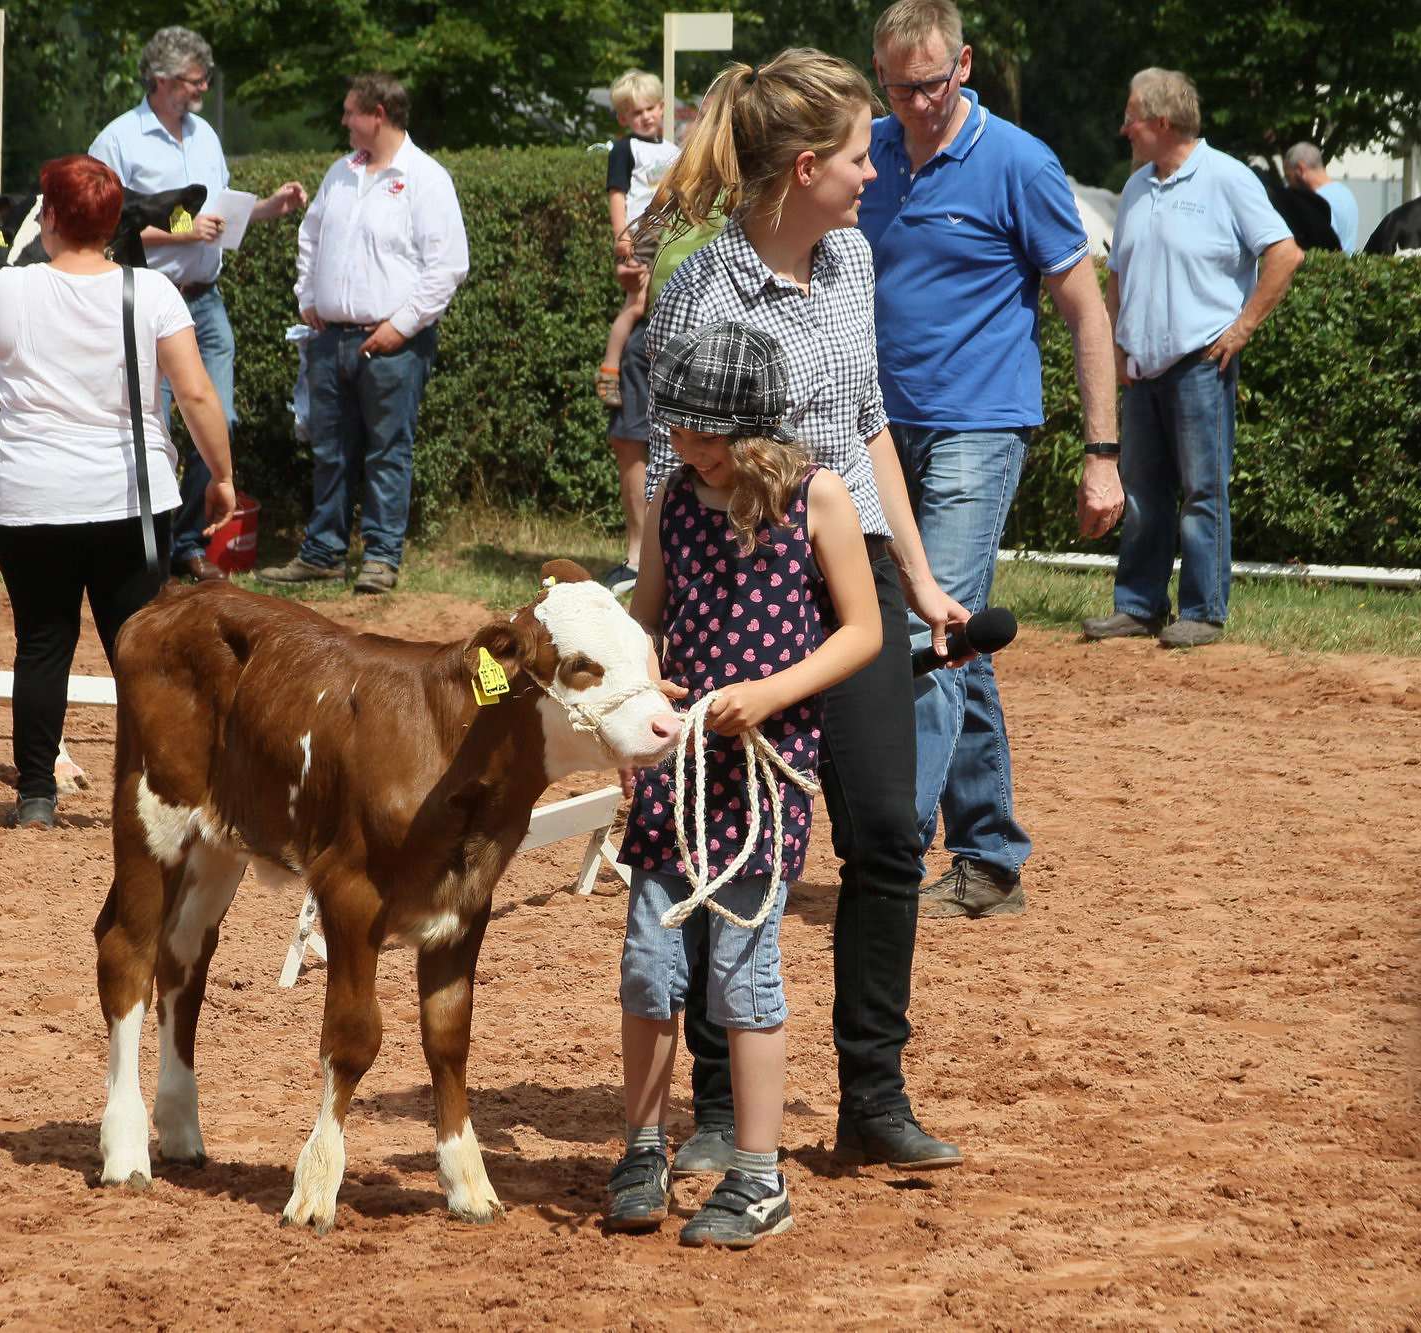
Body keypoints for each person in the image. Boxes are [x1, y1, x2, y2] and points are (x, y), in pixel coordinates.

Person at [640, 47, 971, 1179]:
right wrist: (661, 616)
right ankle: (723, 1101)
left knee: (885, 833)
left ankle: (871, 1093)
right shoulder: (699, 285)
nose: (872, 171)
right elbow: (664, 467)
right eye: (855, 154)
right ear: (797, 168)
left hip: (851, 574)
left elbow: (868, 423)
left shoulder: (851, 261)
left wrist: (917, 580)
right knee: (721, 845)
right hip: (731, 580)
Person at [603, 321, 883, 1249]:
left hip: (762, 784)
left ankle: (760, 1178)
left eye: (705, 435)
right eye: (678, 430)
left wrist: (767, 695)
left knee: (742, 972)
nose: (686, 448)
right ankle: (643, 1144)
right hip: (676, 773)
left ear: (755, 429)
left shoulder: (821, 499)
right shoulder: (673, 503)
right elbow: (647, 619)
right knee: (649, 961)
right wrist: (650, 680)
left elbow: (861, 632)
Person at [860, 0, 1120, 921]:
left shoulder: (1020, 162)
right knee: (953, 631)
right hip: (877, 432)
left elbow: (1088, 313)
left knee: (924, 640)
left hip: (979, 428)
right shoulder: (870, 156)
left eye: (930, 83)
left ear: (964, 64)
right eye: (897, 87)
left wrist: (1103, 452)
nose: (916, 104)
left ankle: (892, 854)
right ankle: (992, 856)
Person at [0, 154, 235, 829]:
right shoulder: (152, 296)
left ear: (49, 217)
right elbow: (197, 393)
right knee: (138, 648)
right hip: (128, 496)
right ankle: (151, 790)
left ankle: (35, 794)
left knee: (41, 643)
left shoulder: (4, 289)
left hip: (29, 499)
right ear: (118, 220)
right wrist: (224, 477)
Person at [1083, 69, 1302, 650]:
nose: (1124, 128)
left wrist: (1242, 327)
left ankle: (1203, 611)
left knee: (1203, 491)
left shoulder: (1228, 178)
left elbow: (1285, 253)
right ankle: (1138, 606)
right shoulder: (1136, 187)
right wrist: (1118, 344)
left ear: (1160, 122)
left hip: (1200, 362)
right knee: (1143, 493)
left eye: (1131, 117)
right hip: (1143, 367)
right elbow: (1118, 276)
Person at [90, 25, 305, 585]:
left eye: (205, 78)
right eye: (194, 80)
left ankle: (185, 542)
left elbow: (222, 217)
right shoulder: (117, 140)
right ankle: (150, 554)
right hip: (142, 304)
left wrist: (268, 209)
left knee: (219, 422)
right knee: (152, 432)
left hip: (205, 305)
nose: (203, 88)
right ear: (160, 81)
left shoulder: (205, 135)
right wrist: (183, 232)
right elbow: (104, 224)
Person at [258, 73, 470, 596]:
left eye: (351, 112)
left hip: (393, 346)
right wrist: (307, 296)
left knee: (386, 452)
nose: (344, 121)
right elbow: (310, 236)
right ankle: (324, 553)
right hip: (331, 339)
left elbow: (448, 266)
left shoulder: (425, 177)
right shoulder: (341, 172)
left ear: (377, 114)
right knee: (330, 450)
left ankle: (380, 557)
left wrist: (400, 327)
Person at [595, 70, 683, 594]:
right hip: (640, 239)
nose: (647, 117)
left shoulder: (676, 151)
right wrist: (622, 243)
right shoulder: (625, 150)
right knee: (635, 303)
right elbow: (618, 197)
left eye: (652, 108)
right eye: (637, 111)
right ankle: (609, 368)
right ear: (625, 118)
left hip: (668, 237)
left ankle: (666, 554)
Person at [1285, 142, 1360, 253]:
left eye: (1288, 177)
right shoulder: (1346, 193)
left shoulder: (1316, 201)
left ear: (1300, 170)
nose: (1288, 185)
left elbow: (1322, 244)